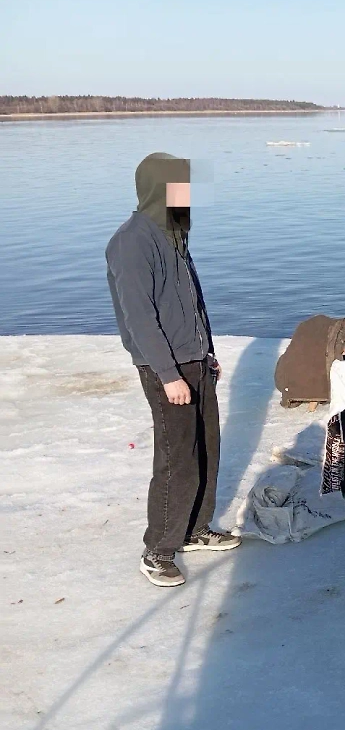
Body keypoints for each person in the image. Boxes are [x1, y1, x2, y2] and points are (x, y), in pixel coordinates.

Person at [106, 153, 239, 587]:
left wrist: (207, 352)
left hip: (195, 361)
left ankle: (195, 529)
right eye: (178, 188)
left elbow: (193, 303)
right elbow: (140, 317)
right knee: (176, 459)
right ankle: (159, 550)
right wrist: (168, 374)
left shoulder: (175, 234)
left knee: (207, 449)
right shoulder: (132, 242)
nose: (187, 196)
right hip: (166, 367)